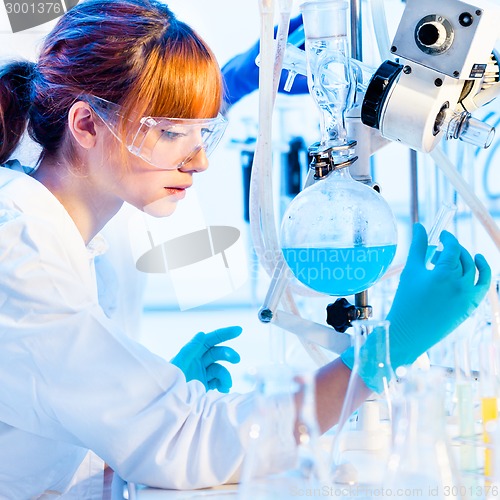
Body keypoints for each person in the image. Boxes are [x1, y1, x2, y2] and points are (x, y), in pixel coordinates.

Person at [0, 0, 491, 498]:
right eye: (171, 132)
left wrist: (134, 400)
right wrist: (387, 351)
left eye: (204, 133)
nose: (199, 161)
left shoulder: (51, 228)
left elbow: (41, 438)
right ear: (84, 125)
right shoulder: (21, 253)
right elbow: (188, 444)